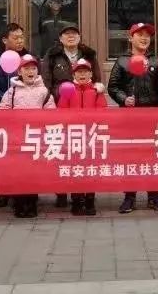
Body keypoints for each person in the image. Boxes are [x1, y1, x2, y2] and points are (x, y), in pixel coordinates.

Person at [108, 23, 158, 213]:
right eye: (140, 35)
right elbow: (113, 86)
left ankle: (154, 195)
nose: (144, 38)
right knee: (131, 156)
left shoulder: (155, 61)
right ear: (130, 38)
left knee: (153, 156)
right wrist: (123, 98)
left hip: (153, 116)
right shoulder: (122, 61)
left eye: (147, 35)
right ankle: (129, 196)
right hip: (130, 118)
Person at [42, 23, 102, 209]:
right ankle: (61, 193)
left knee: (84, 154)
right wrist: (52, 100)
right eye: (67, 34)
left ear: (79, 37)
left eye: (74, 33)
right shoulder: (53, 55)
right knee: (63, 153)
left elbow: (97, 78)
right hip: (61, 108)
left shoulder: (89, 55)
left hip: (87, 112)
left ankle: (86, 193)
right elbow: (46, 80)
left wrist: (97, 89)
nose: (71, 36)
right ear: (60, 38)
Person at [0, 54, 56, 218]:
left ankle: (31, 203)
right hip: (17, 138)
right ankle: (18, 203)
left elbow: (52, 114)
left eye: (33, 68)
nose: (30, 71)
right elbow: (2, 111)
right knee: (17, 172)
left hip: (35, 139)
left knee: (32, 172)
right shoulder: (12, 91)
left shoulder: (44, 91)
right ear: (19, 71)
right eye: (26, 68)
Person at [0, 22, 32, 209]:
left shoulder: (29, 60)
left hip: (26, 113)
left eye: (21, 37)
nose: (20, 41)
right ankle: (5, 190)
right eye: (15, 37)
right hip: (3, 114)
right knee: (5, 154)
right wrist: (7, 101)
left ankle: (27, 191)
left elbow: (36, 83)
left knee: (25, 154)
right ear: (5, 40)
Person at [57, 59, 107, 216]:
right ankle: (77, 200)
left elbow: (103, 112)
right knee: (75, 169)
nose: (82, 74)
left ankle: (90, 200)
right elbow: (61, 112)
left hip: (91, 136)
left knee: (90, 169)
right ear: (74, 75)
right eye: (79, 72)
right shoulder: (68, 91)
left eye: (85, 71)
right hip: (74, 137)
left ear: (91, 74)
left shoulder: (97, 92)